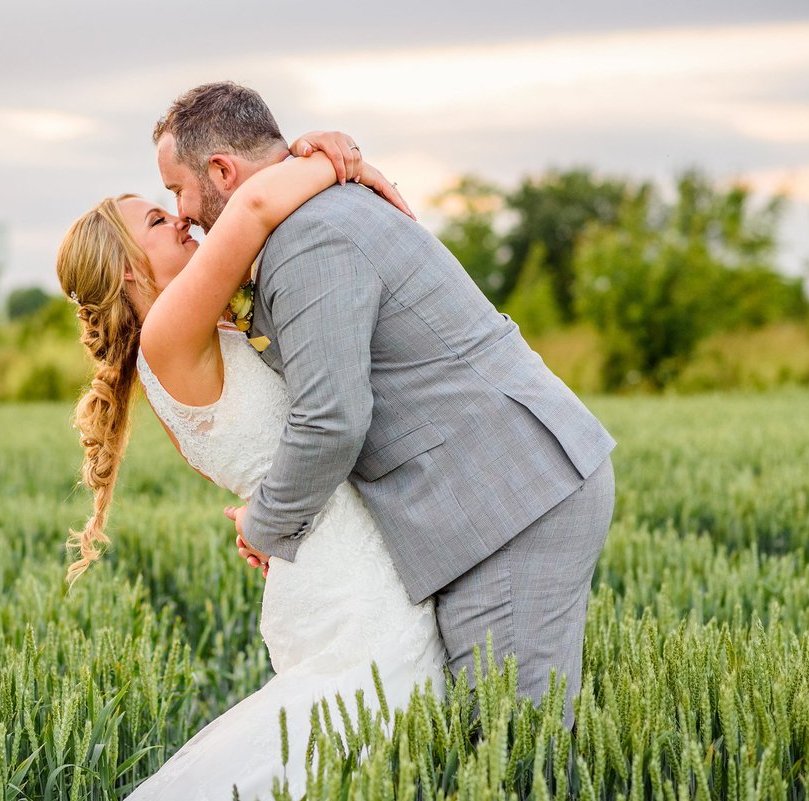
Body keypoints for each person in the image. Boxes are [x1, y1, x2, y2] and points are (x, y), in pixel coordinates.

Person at [154, 83, 617, 734]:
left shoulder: (306, 238)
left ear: (223, 171)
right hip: (485, 500)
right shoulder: (308, 220)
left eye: (177, 190)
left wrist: (263, 525)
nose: (180, 214)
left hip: (511, 500)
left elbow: (332, 418)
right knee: (488, 744)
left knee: (516, 752)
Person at [56, 132, 446, 800]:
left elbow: (256, 458)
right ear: (126, 268)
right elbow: (258, 207)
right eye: (157, 218)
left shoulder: (194, 337)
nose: (179, 217)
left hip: (327, 557)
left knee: (357, 749)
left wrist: (257, 516)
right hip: (347, 575)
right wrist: (338, 160)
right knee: (365, 735)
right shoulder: (169, 333)